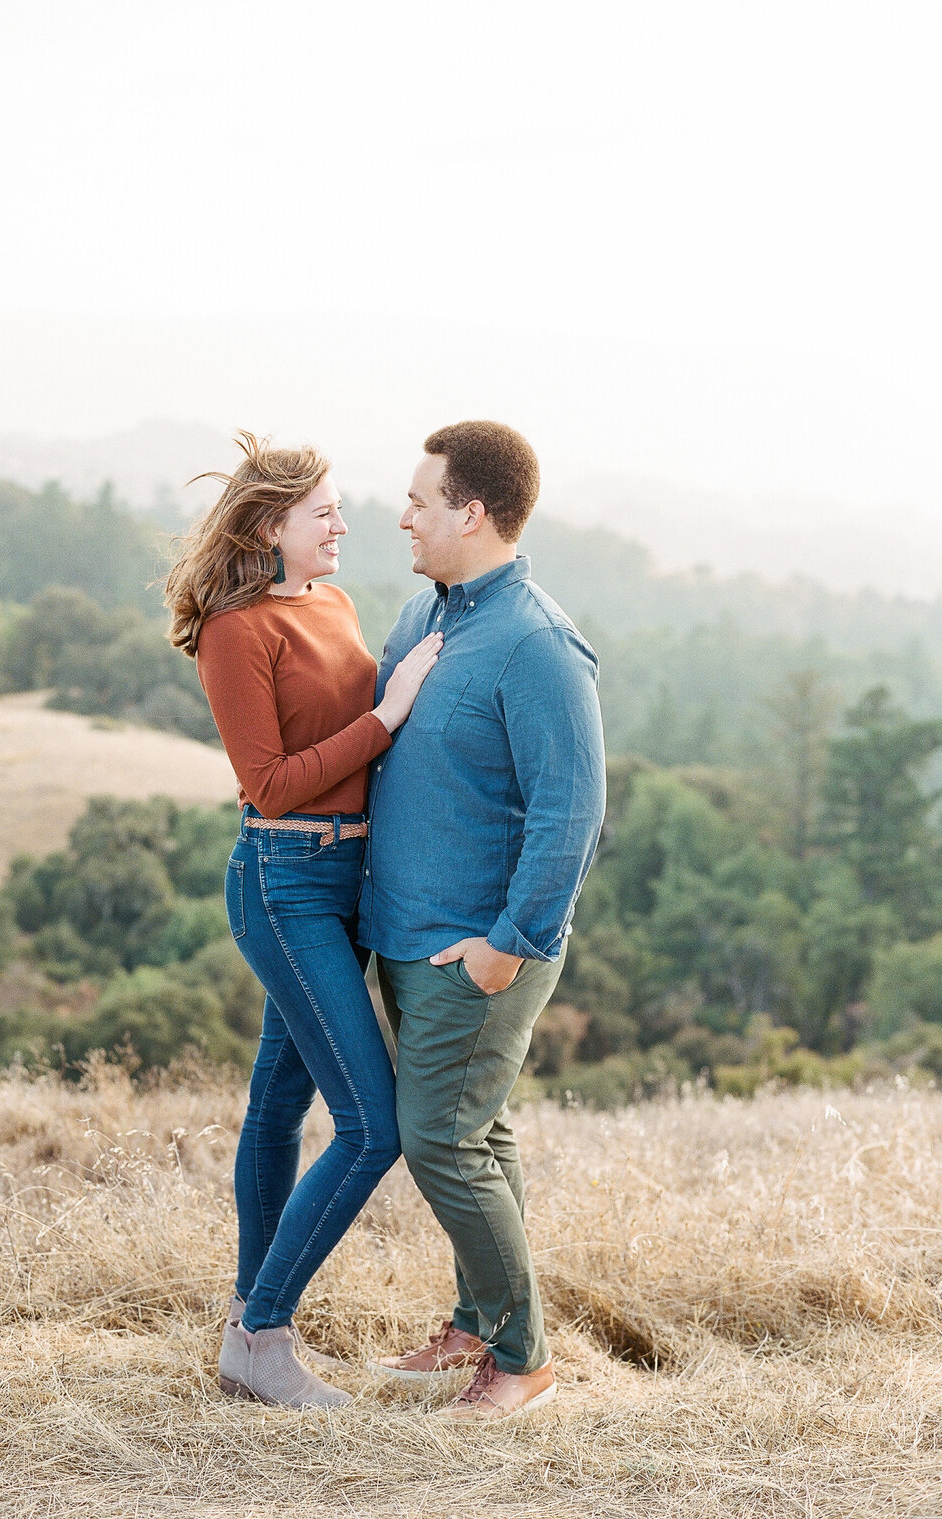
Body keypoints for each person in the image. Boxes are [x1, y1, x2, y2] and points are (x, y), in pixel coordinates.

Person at [165, 431, 441, 1410]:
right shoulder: (238, 632)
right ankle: (262, 1331)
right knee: (372, 1125)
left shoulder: (336, 603)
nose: (343, 524)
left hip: (350, 884)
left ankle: (249, 1310)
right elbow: (271, 786)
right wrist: (390, 712)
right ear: (271, 525)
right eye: (324, 510)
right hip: (284, 883)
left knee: (280, 1108)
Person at [360, 420, 607, 1422]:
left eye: (420, 499)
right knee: (477, 1134)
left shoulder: (538, 643)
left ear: (470, 512)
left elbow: (571, 812)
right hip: (405, 936)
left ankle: (524, 1363)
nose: (403, 513)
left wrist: (509, 945)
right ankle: (477, 1322)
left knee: (441, 1144)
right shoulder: (428, 612)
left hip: (477, 951)